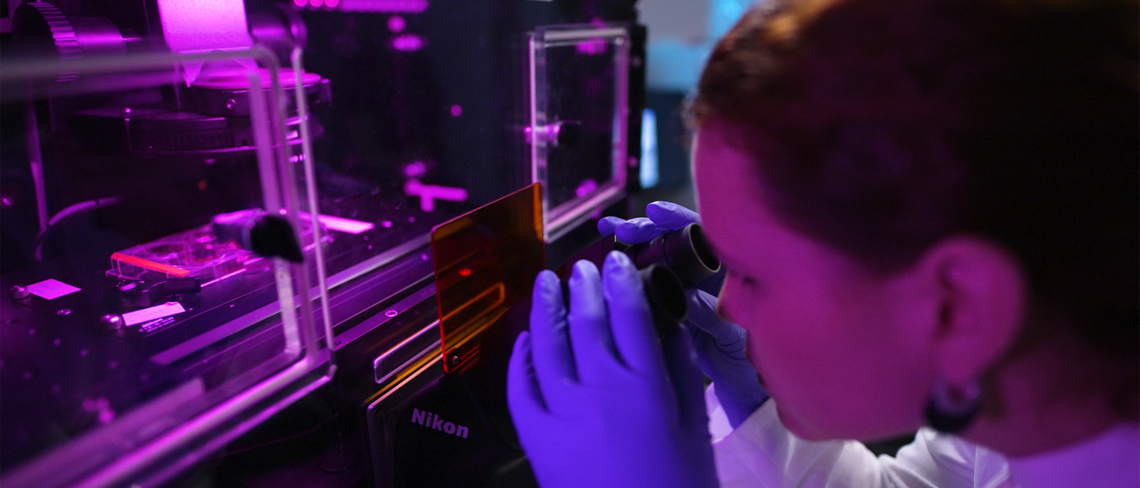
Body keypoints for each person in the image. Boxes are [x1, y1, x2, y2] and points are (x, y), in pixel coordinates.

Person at [506, 0, 1140, 486]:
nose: (727, 306)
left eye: (753, 275)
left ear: (958, 306)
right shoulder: (1030, 405)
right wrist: (757, 403)